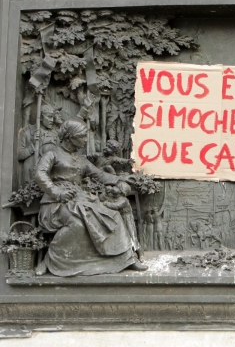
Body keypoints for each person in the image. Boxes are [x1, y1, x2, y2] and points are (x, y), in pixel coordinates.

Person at [34, 119, 147, 276]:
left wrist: (122, 179)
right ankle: (49, 260)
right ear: (70, 137)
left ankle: (126, 259)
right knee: (78, 224)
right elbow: (40, 174)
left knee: (113, 215)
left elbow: (99, 175)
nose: (85, 140)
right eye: (82, 136)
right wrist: (57, 192)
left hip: (79, 199)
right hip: (56, 203)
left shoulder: (81, 160)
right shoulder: (52, 154)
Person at [18, 105, 59, 182]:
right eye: (49, 117)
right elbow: (20, 155)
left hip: (50, 173)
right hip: (31, 172)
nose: (52, 120)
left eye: (53, 117)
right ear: (41, 117)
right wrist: (32, 146)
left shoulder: (55, 134)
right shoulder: (28, 132)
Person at [104, 182, 141, 258]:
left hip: (127, 219)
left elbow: (116, 206)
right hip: (119, 219)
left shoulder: (124, 200)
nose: (114, 188)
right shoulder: (113, 197)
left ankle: (140, 254)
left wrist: (106, 203)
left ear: (121, 191)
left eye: (117, 187)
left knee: (131, 235)